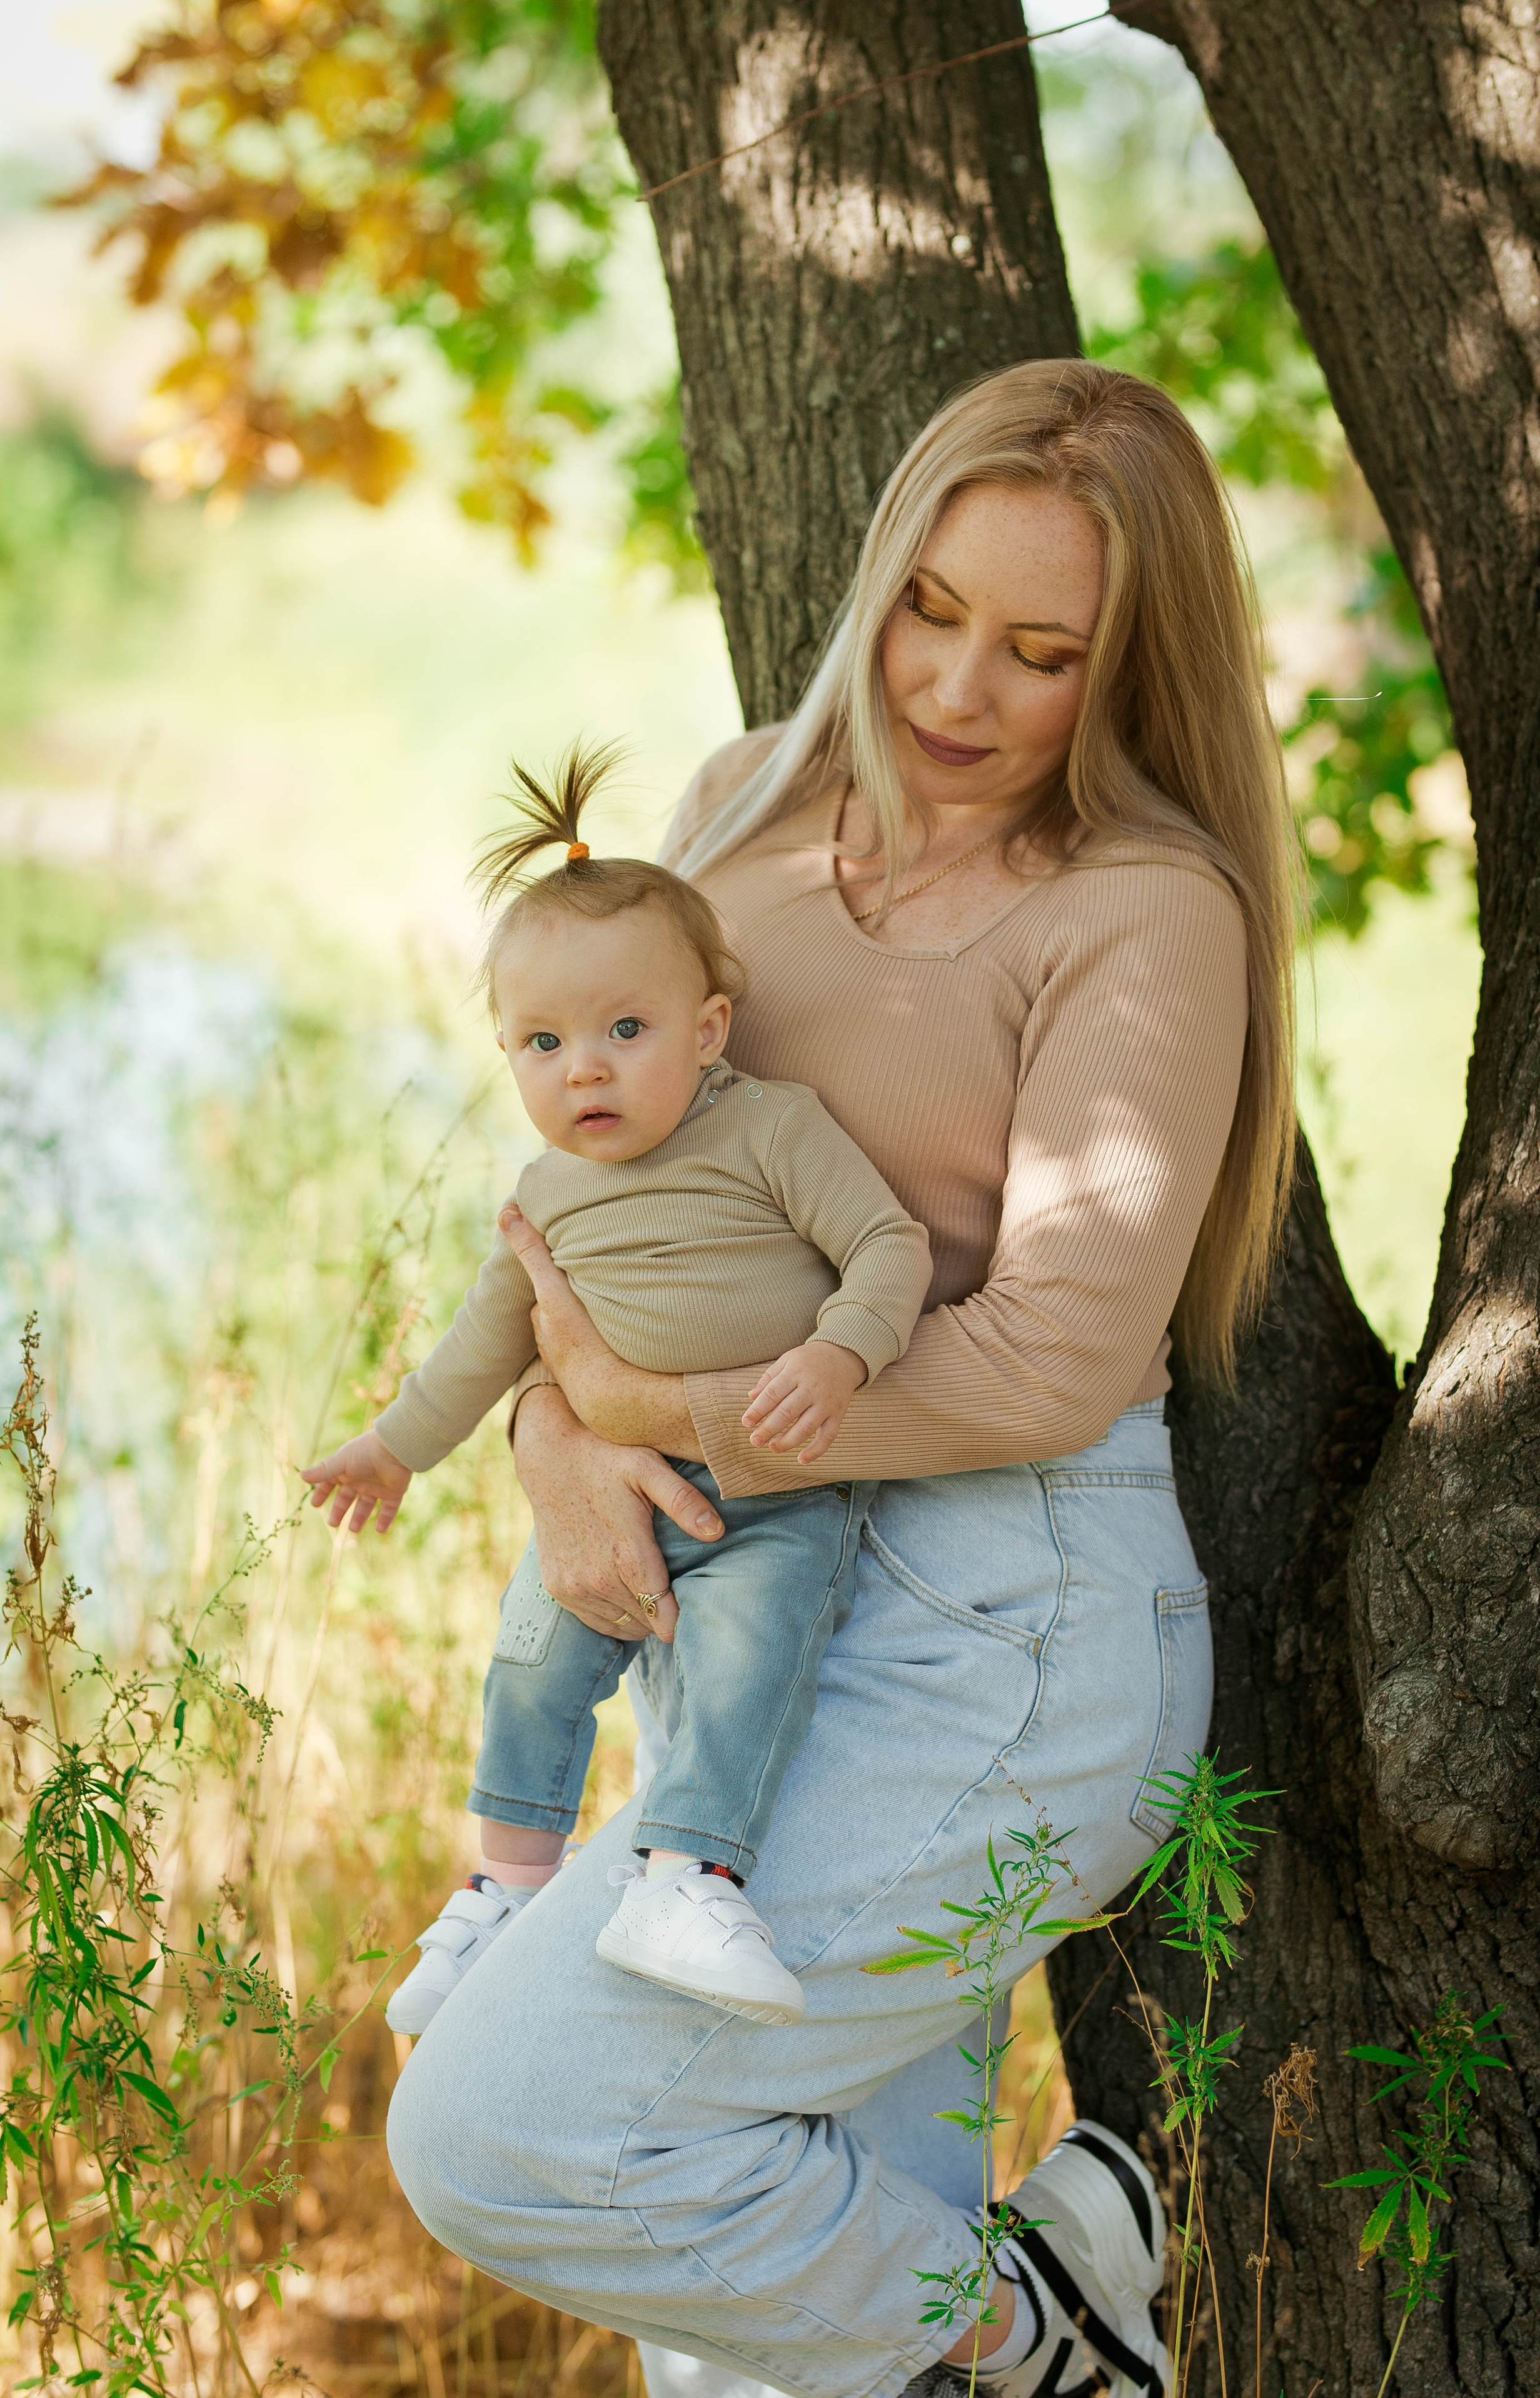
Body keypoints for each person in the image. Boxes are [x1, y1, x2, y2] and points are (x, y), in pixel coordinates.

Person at [381, 359, 1297, 2398]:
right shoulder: (739, 811)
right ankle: (1035, 2295)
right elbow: (610, 1203)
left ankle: (1034, 2329)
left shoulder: (1148, 908)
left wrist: (652, 1415)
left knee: (511, 2130)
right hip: (754, 1602)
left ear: (1132, 668)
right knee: (741, 2318)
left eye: (1043, 651)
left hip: (1005, 1626)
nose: (957, 688)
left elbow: (1053, 1353)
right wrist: (551, 1432)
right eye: (930, 610)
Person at [302, 750, 930, 2030]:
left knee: (749, 1673)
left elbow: (888, 1244)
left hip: (775, 1491)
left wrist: (838, 1352)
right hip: (599, 1501)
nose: (582, 1070)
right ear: (506, 1052)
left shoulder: (770, 1128)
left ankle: (686, 1880)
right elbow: (482, 1344)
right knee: (530, 1665)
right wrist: (392, 1447)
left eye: (623, 1032)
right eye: (543, 1044)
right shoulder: (545, 1195)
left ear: (709, 1031)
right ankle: (505, 1887)